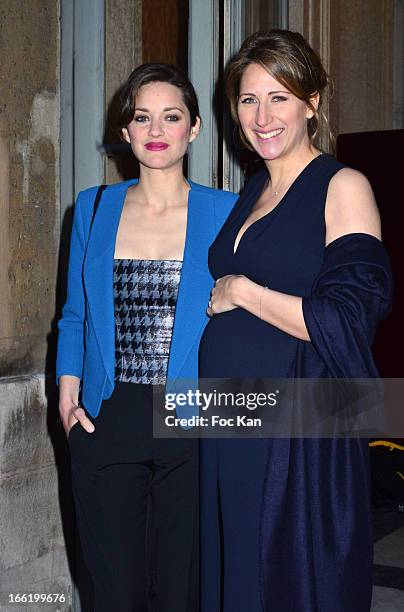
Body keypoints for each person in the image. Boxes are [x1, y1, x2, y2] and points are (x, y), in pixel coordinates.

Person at [198, 30, 393, 612]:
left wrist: (241, 290)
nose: (261, 116)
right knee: (234, 567)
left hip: (291, 431)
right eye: (248, 100)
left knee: (278, 576)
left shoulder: (343, 186)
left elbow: (348, 318)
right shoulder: (252, 189)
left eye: (279, 97)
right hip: (226, 416)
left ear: (312, 101)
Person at [56, 63, 237, 612]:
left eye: (172, 116)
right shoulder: (92, 206)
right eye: (142, 117)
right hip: (108, 414)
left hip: (192, 417)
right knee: (115, 590)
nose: (156, 130)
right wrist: (66, 393)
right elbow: (74, 313)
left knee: (184, 589)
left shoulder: (227, 211)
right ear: (125, 129)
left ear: (195, 128)